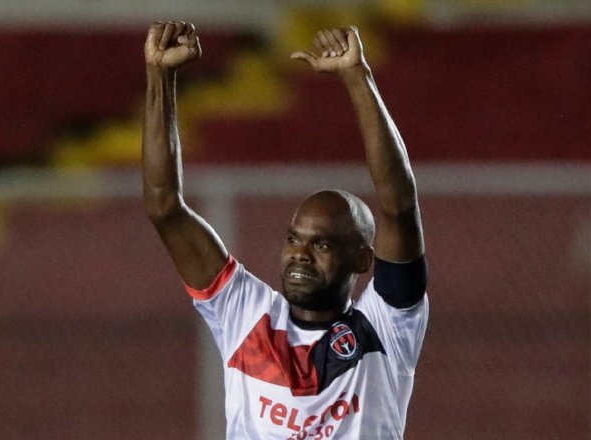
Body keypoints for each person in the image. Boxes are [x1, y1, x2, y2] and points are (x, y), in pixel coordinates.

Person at [143, 21, 428, 440]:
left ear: (362, 259)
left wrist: (357, 76)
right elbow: (165, 207)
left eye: (323, 244)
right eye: (294, 238)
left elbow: (399, 206)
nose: (300, 253)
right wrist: (160, 77)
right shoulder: (244, 314)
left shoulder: (387, 326)